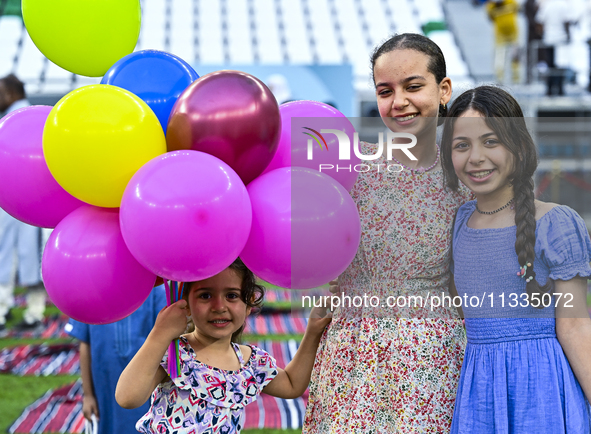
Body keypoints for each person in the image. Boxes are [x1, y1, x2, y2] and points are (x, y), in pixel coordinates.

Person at [302, 33, 473, 433]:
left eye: (413, 86)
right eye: (386, 91)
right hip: (351, 358)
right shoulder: (346, 171)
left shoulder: (468, 180)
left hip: (432, 362)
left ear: (444, 89)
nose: (399, 102)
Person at [441, 85, 591, 432]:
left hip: (542, 391)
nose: (476, 157)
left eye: (491, 141)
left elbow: (575, 324)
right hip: (480, 393)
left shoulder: (555, 222)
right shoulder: (460, 222)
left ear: (518, 145)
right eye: (462, 145)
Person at [116, 258, 331, 433]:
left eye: (231, 295)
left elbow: (293, 385)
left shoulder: (251, 364)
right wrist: (159, 334)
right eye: (205, 295)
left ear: (248, 305)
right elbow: (127, 398)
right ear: (186, 305)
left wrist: (312, 331)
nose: (219, 306)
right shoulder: (175, 354)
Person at [65, 285, 167, 434]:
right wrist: (88, 395)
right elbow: (85, 343)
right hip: (105, 387)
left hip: (147, 386)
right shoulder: (89, 287)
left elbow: (166, 338)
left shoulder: (155, 289)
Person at [0, 73, 46, 336]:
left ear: (10, 93)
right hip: (29, 198)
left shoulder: (15, 120)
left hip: (20, 197)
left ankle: (15, 310)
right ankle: (31, 311)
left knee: (19, 253)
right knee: (28, 255)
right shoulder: (32, 116)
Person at [486, 0, 520, 84]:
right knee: (499, 57)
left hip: (513, 35)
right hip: (500, 35)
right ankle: (499, 79)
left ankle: (516, 79)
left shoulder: (511, 2)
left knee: (515, 57)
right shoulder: (490, 6)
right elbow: (490, 18)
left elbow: (517, 9)